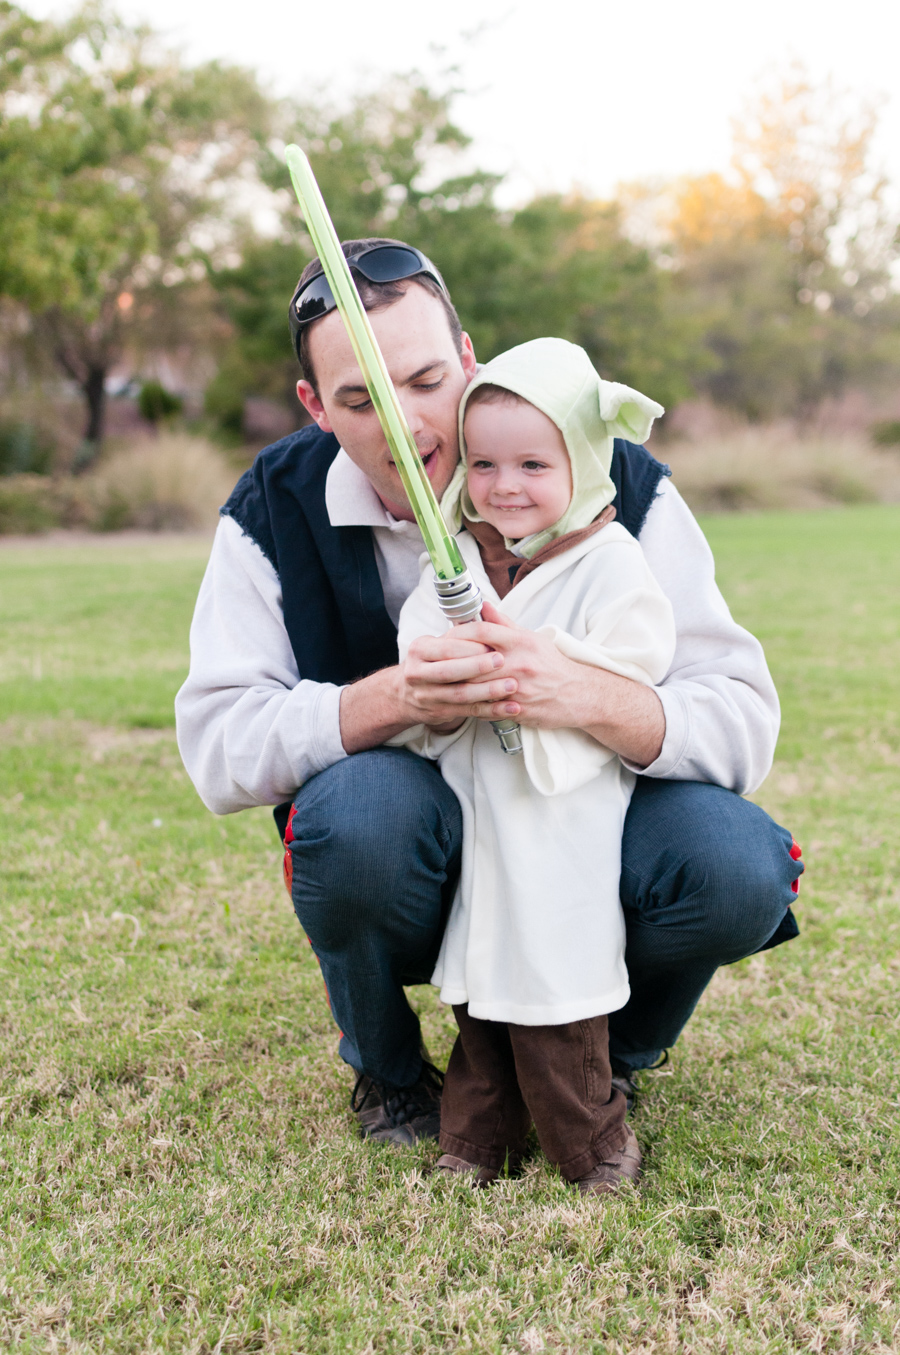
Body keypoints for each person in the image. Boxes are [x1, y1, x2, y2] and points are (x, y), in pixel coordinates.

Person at [175, 236, 803, 1149]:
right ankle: (389, 1076)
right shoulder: (272, 507)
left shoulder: (612, 477)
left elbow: (743, 719)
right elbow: (217, 747)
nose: (407, 427)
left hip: (588, 834)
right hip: (415, 843)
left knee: (739, 864)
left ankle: (606, 1055)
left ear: (469, 360)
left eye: (428, 381)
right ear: (315, 408)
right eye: (362, 400)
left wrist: (579, 691)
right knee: (351, 820)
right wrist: (392, 700)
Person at [391, 337, 676, 1193]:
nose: (503, 484)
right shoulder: (460, 563)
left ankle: (594, 1152)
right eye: (482, 463)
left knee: (557, 1008)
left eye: (531, 463)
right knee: (480, 1002)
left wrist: (536, 653)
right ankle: (475, 1146)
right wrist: (441, 663)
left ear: (583, 464)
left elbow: (639, 655)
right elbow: (418, 642)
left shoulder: (611, 562)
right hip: (486, 822)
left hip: (559, 827)